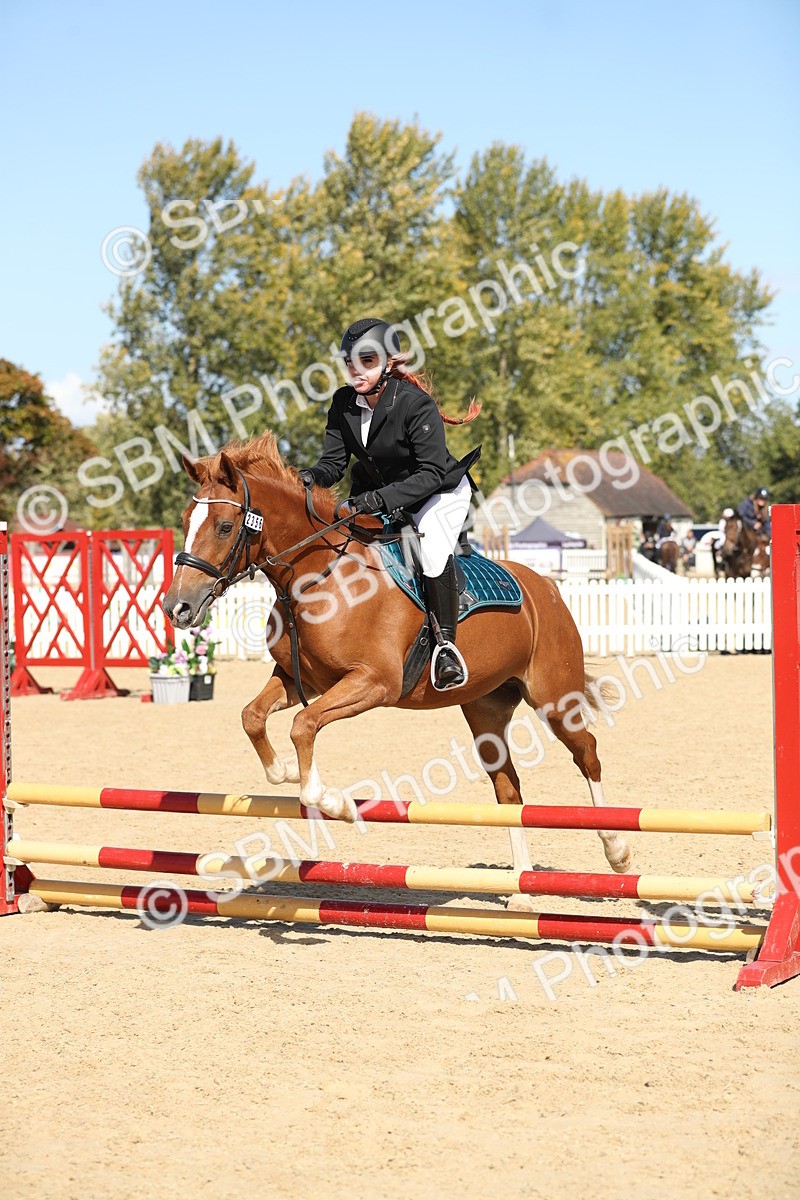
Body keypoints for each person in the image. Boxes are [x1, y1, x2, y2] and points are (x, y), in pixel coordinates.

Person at [297, 317, 481, 691]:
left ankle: (445, 647)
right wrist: (308, 477)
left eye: (366, 361)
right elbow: (334, 465)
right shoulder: (343, 403)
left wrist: (378, 499)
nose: (356, 370)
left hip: (439, 492)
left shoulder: (415, 404)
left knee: (429, 552)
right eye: (349, 362)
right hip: (381, 497)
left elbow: (429, 473)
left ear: (387, 363)